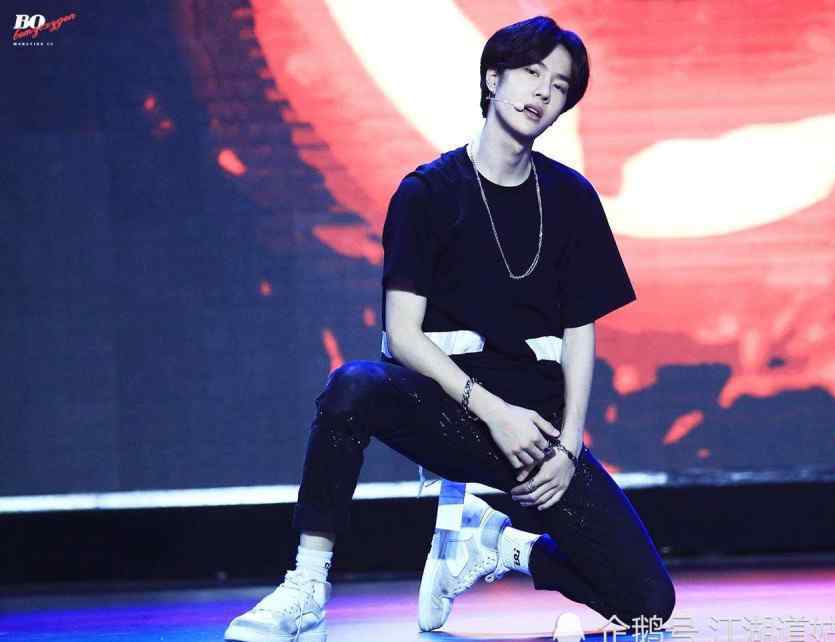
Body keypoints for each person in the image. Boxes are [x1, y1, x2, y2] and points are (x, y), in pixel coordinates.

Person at [224, 15, 675, 642]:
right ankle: (305, 586)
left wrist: (568, 449)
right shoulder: (428, 193)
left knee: (648, 605)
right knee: (352, 386)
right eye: (531, 72)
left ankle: (497, 546)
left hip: (539, 434)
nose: (543, 92)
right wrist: (494, 412)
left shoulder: (572, 198)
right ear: (493, 78)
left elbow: (580, 332)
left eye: (559, 85)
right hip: (456, 412)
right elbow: (402, 334)